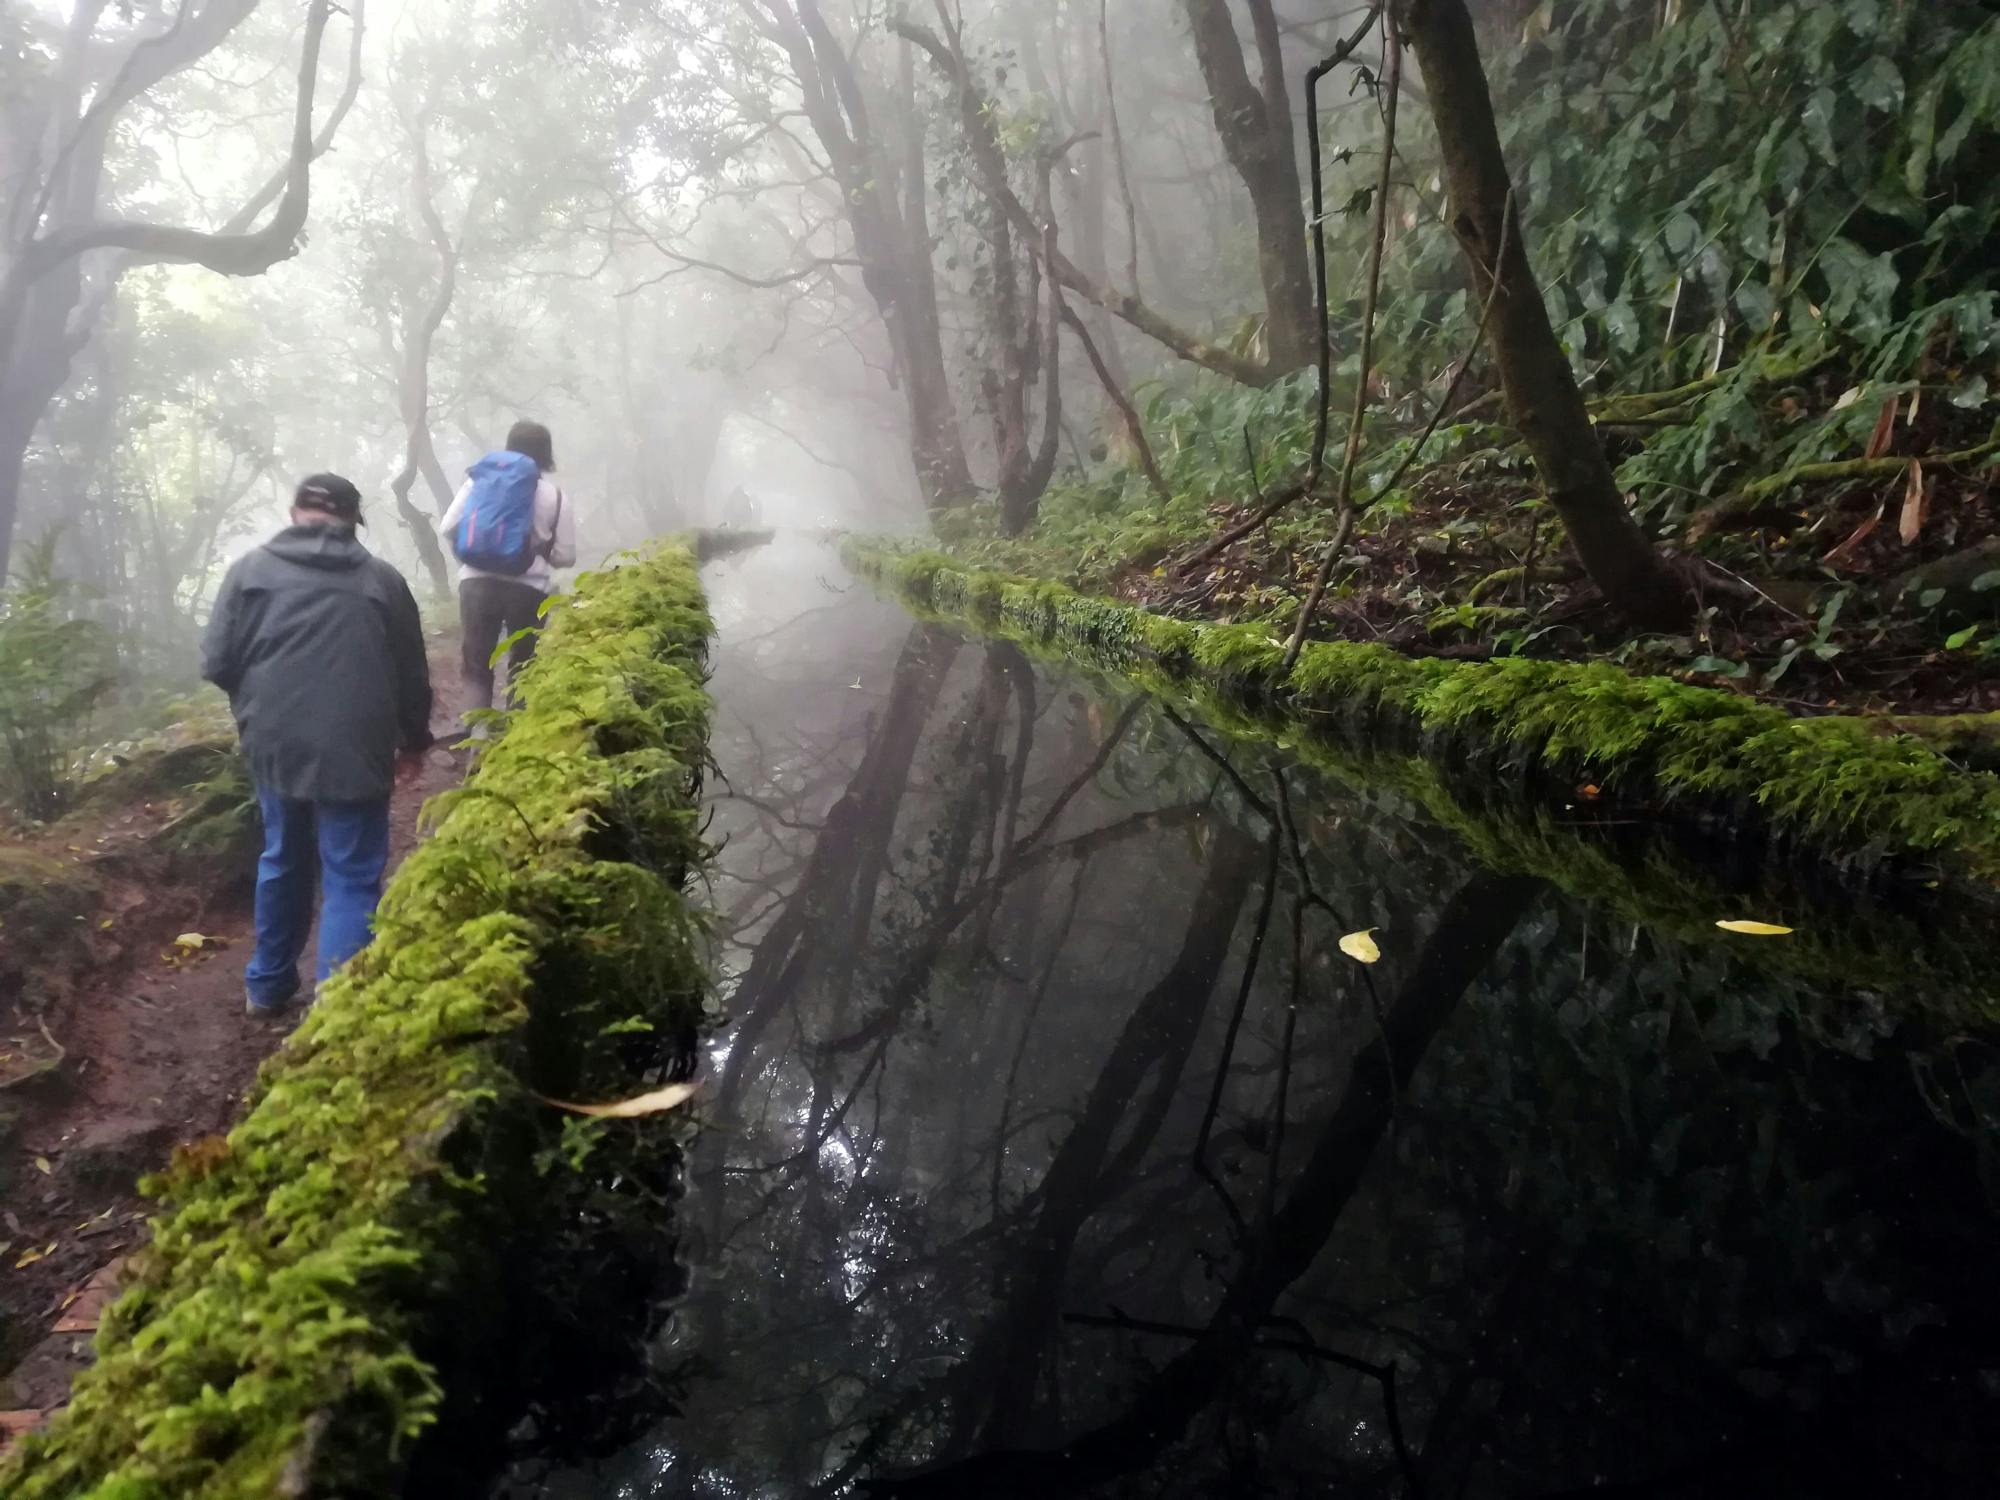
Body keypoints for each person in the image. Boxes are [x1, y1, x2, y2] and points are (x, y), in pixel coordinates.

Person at [201, 474, 435, 1018]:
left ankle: (267, 986)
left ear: (293, 513)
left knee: (283, 856)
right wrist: (414, 742)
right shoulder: (382, 580)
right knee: (351, 875)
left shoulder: (249, 573)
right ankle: (339, 1009)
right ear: (354, 520)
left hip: (274, 743)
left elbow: (215, 663)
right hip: (358, 744)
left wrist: (259, 707)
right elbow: (411, 675)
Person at [439, 419, 577, 727]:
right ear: (546, 454)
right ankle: (515, 739)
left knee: (477, 662)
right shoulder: (555, 497)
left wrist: (473, 553)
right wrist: (541, 552)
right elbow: (567, 557)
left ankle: (477, 742)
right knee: (523, 662)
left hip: (475, 581)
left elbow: (447, 526)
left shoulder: (479, 482)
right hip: (529, 589)